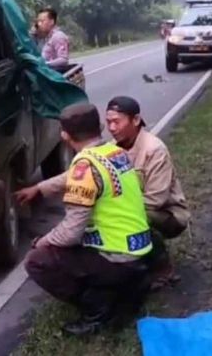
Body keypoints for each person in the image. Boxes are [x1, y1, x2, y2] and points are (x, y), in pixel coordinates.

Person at [16, 96, 189, 287]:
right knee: (106, 215)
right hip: (139, 209)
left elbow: (156, 199)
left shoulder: (154, 150)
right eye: (109, 122)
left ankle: (160, 267)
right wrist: (40, 188)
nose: (112, 128)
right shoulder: (114, 149)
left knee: (113, 217)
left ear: (136, 120)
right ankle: (135, 264)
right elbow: (80, 174)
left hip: (167, 213)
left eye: (117, 122)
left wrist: (111, 203)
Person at [24, 102, 153, 336]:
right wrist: (40, 188)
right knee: (65, 239)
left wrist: (43, 241)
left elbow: (70, 233)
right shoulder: (114, 152)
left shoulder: (85, 166)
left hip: (118, 258)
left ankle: (98, 310)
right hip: (140, 248)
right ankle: (129, 285)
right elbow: (76, 174)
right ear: (101, 126)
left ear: (64, 135)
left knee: (38, 259)